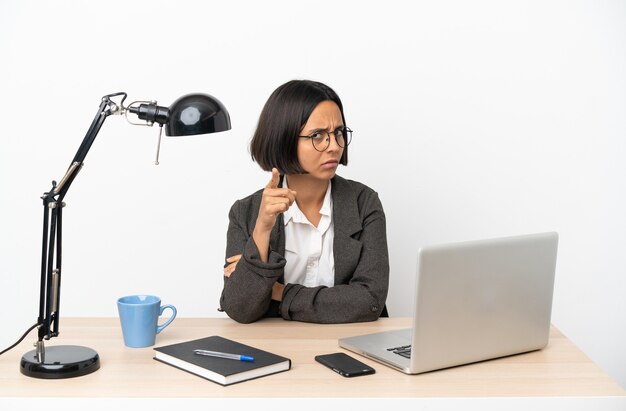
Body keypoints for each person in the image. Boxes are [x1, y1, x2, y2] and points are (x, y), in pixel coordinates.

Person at [219, 79, 389, 324]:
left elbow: (369, 301)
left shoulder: (364, 203)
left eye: (338, 132)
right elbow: (239, 308)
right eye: (318, 135)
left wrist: (278, 292)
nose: (333, 146)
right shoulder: (245, 212)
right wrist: (262, 229)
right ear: (284, 138)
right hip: (275, 346)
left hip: (350, 344)